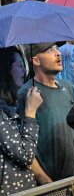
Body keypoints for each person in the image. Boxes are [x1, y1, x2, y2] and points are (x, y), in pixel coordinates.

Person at [18, 43, 74, 183]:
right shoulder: (26, 94)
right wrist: (45, 180)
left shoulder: (67, 87)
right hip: (51, 182)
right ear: (36, 60)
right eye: (50, 50)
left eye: (57, 48)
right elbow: (24, 145)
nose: (58, 53)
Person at [0, 47, 43, 195]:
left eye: (24, 66)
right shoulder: (1, 112)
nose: (24, 71)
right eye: (19, 66)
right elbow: (25, 156)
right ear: (5, 70)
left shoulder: (12, 106)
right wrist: (30, 112)